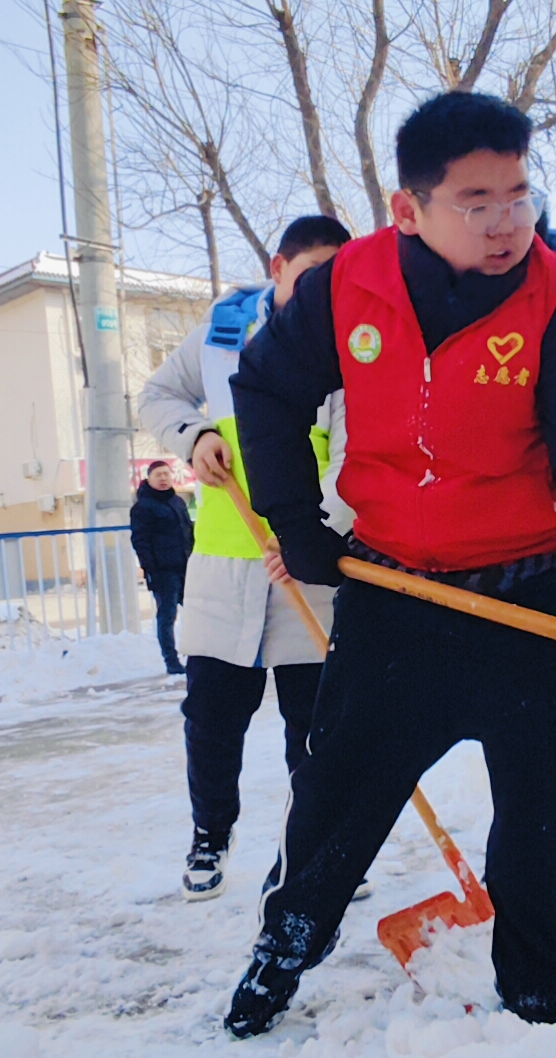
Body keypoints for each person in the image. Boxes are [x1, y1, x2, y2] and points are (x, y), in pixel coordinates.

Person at [225, 91, 556, 1035]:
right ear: (409, 209)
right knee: (334, 802)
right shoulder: (345, 287)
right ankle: (282, 951)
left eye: (519, 196)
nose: (506, 223)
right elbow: (267, 389)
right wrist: (294, 517)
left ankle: (540, 1002)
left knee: (544, 824)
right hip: (397, 597)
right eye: (477, 202)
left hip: (536, 600)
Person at [136, 214, 353, 902]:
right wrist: (195, 434)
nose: (323, 290)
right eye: (311, 274)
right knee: (212, 721)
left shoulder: (351, 346)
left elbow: (352, 460)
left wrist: (314, 536)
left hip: (306, 569)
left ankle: (314, 848)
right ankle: (210, 834)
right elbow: (158, 396)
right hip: (223, 570)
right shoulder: (221, 335)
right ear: (277, 267)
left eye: (336, 277)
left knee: (314, 726)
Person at [129, 460, 193, 676]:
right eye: (158, 475)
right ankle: (171, 660)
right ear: (148, 478)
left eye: (166, 474)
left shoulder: (177, 501)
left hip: (186, 567)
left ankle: (198, 656)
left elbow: (188, 532)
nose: (163, 478)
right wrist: (150, 570)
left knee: (197, 612)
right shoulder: (143, 508)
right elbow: (140, 541)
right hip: (163, 571)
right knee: (167, 616)